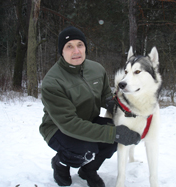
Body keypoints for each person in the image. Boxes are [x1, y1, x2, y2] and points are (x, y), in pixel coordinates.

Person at [39, 26, 141, 187]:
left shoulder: (96, 69)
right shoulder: (53, 82)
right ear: (62, 51)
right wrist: (114, 133)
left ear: (86, 47)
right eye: (69, 46)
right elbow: (69, 124)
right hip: (58, 129)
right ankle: (61, 163)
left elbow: (105, 96)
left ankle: (88, 170)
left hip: (88, 120)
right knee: (87, 148)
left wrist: (123, 107)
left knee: (114, 136)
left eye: (80, 44)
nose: (76, 51)